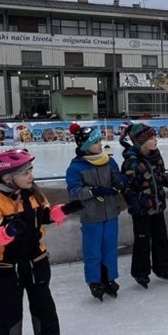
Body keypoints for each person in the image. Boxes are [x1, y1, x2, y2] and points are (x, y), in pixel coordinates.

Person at [0, 149, 80, 335]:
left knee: (42, 300)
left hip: (37, 259)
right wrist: (8, 231)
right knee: (9, 307)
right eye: (25, 172)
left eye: (30, 170)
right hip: (8, 266)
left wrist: (65, 209)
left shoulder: (36, 195)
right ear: (8, 178)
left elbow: (45, 216)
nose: (31, 176)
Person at [65, 122, 126, 301]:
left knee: (110, 248)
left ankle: (109, 278)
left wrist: (120, 181)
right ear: (84, 146)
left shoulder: (109, 160)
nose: (99, 144)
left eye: (99, 140)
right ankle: (94, 281)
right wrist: (93, 191)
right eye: (94, 142)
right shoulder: (76, 167)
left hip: (111, 213)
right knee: (93, 250)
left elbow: (116, 175)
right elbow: (74, 192)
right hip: (91, 216)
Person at [120, 123, 168, 287]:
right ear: (140, 142)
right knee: (142, 241)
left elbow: (159, 177)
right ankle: (140, 272)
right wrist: (134, 202)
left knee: (161, 239)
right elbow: (125, 187)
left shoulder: (156, 157)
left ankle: (163, 268)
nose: (155, 141)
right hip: (141, 210)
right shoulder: (131, 162)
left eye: (155, 137)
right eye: (151, 138)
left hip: (158, 206)